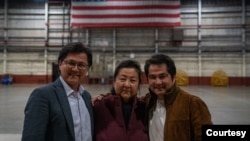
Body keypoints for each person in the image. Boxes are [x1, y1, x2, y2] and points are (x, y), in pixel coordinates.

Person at [21, 42, 94, 141]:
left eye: (81, 65)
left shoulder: (86, 97)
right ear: (60, 64)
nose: (76, 69)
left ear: (87, 69)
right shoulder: (42, 95)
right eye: (71, 63)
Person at [143, 53, 213, 141]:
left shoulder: (193, 103)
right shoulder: (147, 103)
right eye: (153, 77)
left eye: (162, 76)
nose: (158, 82)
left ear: (173, 76)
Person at [93, 60, 149, 141]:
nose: (127, 84)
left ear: (138, 84)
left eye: (132, 80)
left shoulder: (145, 109)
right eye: (123, 79)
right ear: (114, 82)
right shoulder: (99, 106)